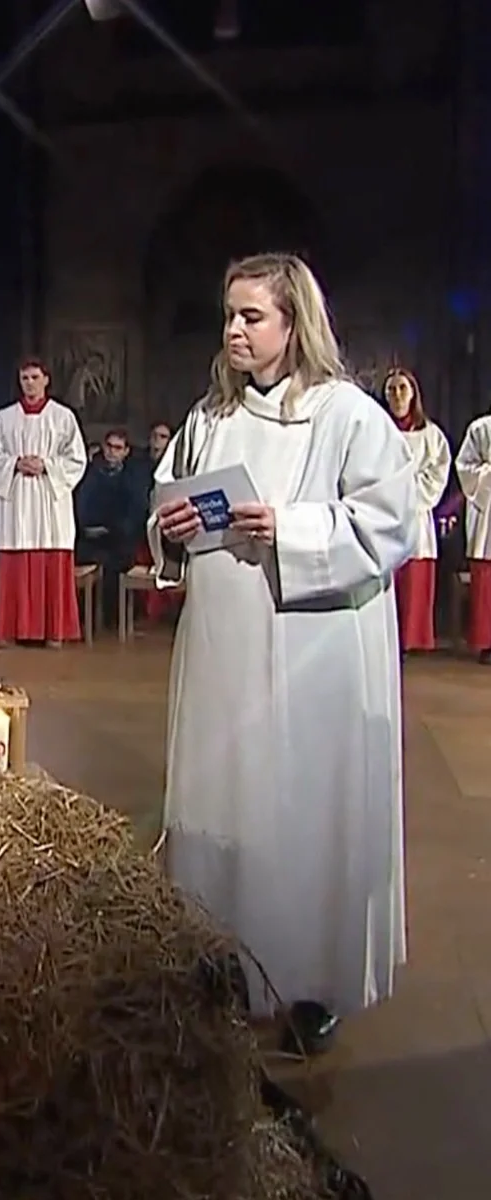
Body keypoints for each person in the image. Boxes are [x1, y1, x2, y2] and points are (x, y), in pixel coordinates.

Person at [150, 253, 416, 1050]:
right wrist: (171, 528)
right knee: (224, 804)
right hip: (223, 653)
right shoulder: (209, 419)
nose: (233, 330)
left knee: (304, 816)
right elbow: (167, 504)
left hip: (315, 655)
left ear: (295, 323)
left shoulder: (347, 416)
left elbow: (390, 524)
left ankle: (311, 986)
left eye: (251, 316)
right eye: (228, 315)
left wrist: (291, 529)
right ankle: (224, 965)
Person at [0, 358, 88, 646]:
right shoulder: (3, 419)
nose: (29, 383)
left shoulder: (63, 417)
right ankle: (11, 629)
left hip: (49, 500)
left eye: (34, 377)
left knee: (51, 559)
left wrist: (46, 466)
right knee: (15, 561)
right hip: (17, 497)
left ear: (46, 380)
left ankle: (54, 631)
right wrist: (15, 463)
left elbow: (76, 459)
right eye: (24, 378)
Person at [383, 369, 451, 652]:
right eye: (391, 390)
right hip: (383, 515)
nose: (397, 395)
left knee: (413, 581)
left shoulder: (431, 435)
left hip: (416, 517)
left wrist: (407, 492)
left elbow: (438, 472)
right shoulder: (378, 429)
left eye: (402, 388)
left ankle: (410, 640)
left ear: (413, 394)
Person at [74, 427, 149, 627]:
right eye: (109, 446)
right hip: (90, 538)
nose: (112, 452)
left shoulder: (133, 478)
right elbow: (81, 507)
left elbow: (135, 511)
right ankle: (86, 619)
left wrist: (113, 528)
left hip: (119, 539)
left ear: (126, 451)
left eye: (118, 448)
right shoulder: (88, 474)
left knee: (117, 562)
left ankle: (113, 620)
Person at [455, 410, 491, 663]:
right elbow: (465, 467)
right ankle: (487, 643)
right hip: (487, 511)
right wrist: (488, 474)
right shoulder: (481, 428)